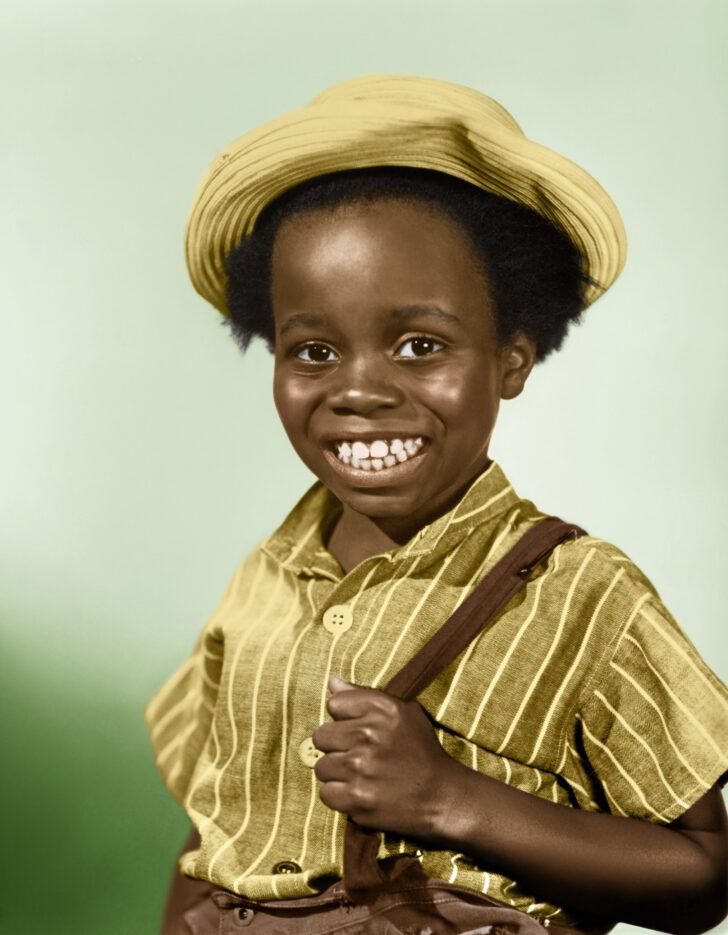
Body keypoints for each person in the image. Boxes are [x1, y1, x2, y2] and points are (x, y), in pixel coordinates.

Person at [145, 75, 728, 934]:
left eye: (420, 345)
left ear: (512, 359)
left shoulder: (583, 593)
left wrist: (451, 798)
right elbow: (213, 833)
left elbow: (705, 876)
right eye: (313, 349)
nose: (359, 390)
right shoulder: (260, 583)